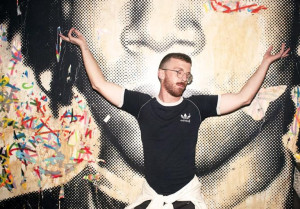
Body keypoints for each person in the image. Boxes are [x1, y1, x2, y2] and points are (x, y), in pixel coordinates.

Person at [60, 27, 290, 209]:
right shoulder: (142, 106)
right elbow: (99, 84)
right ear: (161, 74)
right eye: (178, 72)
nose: (183, 78)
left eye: (187, 75)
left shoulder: (197, 106)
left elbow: (243, 98)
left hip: (186, 197)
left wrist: (266, 63)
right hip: (151, 196)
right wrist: (84, 48)